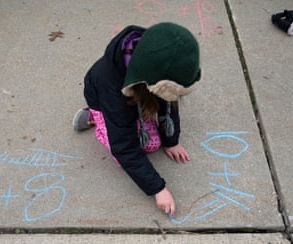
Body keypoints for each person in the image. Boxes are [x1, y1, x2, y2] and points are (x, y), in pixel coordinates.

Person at [73, 22, 201, 217]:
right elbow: (124, 148)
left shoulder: (157, 55)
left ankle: (114, 119)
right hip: (105, 101)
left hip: (134, 98)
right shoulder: (112, 88)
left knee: (153, 144)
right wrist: (158, 189)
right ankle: (96, 117)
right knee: (124, 153)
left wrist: (171, 141)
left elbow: (168, 102)